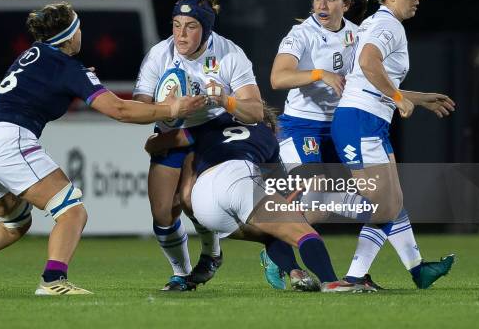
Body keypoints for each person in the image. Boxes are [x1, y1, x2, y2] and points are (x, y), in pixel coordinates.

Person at [0, 1, 204, 296]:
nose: (82, 34)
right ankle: (53, 281)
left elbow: (43, 93)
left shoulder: (32, 55)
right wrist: (171, 108)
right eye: (79, 27)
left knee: (15, 222)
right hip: (9, 140)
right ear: (70, 35)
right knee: (73, 212)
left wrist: (75, 82)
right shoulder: (67, 67)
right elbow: (119, 110)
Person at [330, 0, 455, 289]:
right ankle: (353, 275)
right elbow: (370, 64)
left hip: (367, 119)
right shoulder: (388, 25)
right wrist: (400, 97)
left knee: (393, 201)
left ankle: (418, 269)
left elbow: (369, 80)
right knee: (383, 202)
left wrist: (419, 98)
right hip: (360, 122)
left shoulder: (381, 23)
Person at [144, 105, 371, 293]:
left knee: (270, 234)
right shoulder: (266, 136)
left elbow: (157, 144)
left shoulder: (205, 126)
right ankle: (330, 281)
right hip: (237, 179)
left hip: (204, 204)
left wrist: (152, 142)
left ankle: (294, 272)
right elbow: (278, 190)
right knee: (299, 230)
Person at [133, 0, 264, 291]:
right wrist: (169, 108)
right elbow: (141, 106)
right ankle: (184, 270)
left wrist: (224, 101)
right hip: (171, 129)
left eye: (190, 27)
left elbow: (255, 111)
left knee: (192, 200)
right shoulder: (159, 53)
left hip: (212, 131)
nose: (181, 34)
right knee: (163, 213)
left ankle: (258, 243)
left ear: (206, 31)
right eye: (176, 25)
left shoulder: (230, 54)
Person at [262, 0, 362, 291]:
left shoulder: (358, 36)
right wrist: (320, 73)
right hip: (299, 125)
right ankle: (326, 276)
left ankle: (277, 242)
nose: (322, 5)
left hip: (337, 128)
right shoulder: (301, 34)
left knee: (326, 205)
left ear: (345, 4)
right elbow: (278, 78)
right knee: (316, 187)